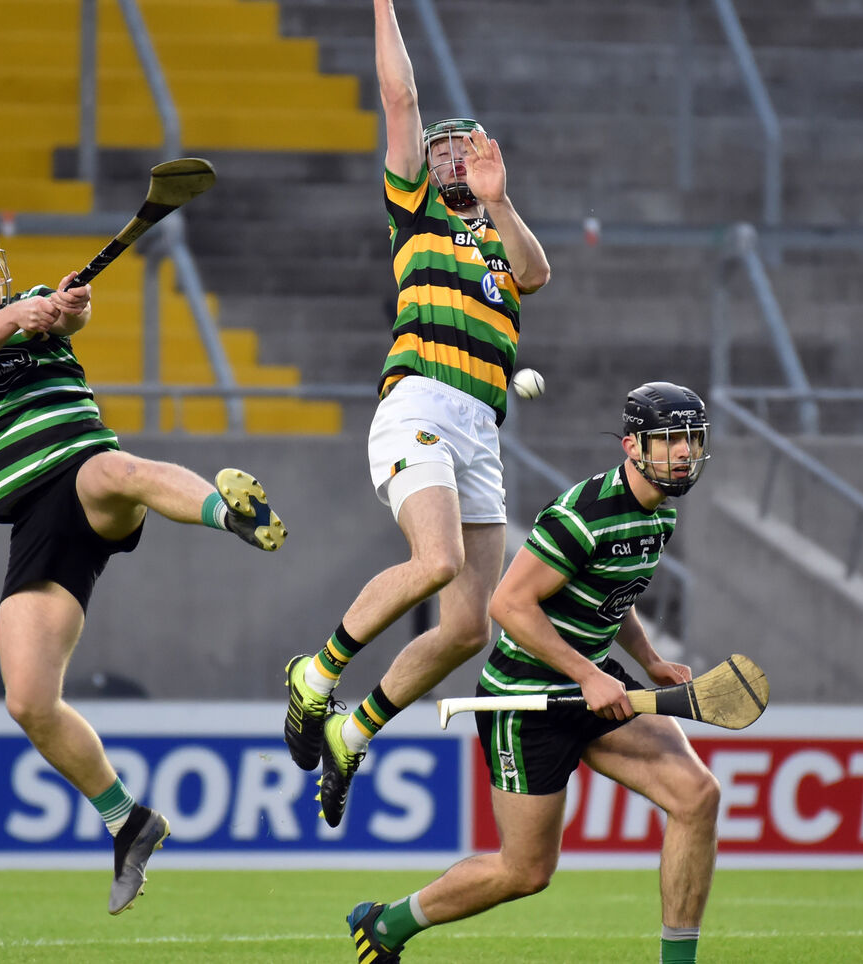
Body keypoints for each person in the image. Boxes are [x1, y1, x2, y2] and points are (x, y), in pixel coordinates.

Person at [0, 217, 287, 914]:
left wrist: (69, 308)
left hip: (82, 476)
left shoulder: (39, 310)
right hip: (34, 526)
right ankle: (129, 821)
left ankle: (228, 513)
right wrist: (27, 314)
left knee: (116, 469)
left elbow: (67, 318)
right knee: (28, 701)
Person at [283, 0, 551, 829]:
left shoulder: (499, 245)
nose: (448, 161)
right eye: (441, 151)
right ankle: (316, 676)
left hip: (481, 431)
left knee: (468, 628)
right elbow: (399, 98)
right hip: (419, 405)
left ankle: (354, 732)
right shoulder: (417, 217)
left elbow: (536, 275)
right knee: (434, 562)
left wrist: (501, 202)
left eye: (463, 153)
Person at [345, 382, 720, 964]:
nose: (682, 453)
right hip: (525, 702)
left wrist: (648, 662)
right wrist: (587, 675)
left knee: (697, 796)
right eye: (668, 440)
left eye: (691, 441)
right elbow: (507, 605)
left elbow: (613, 597)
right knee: (525, 872)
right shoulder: (584, 514)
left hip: (594, 682)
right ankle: (388, 923)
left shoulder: (657, 518)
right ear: (632, 445)